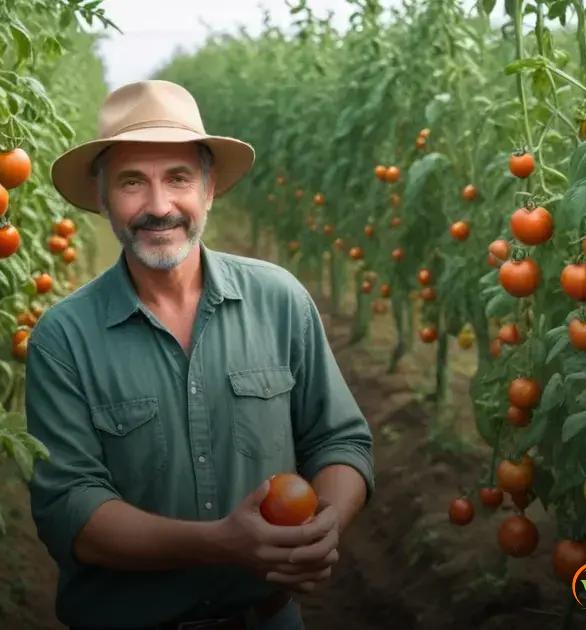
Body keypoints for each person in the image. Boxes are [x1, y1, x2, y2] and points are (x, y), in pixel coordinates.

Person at [25, 79, 375, 630]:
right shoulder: (64, 338)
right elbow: (72, 510)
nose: (159, 206)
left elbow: (339, 440)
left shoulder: (279, 300)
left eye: (179, 179)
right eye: (132, 183)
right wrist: (223, 544)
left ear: (209, 191)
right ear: (102, 198)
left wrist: (322, 526)